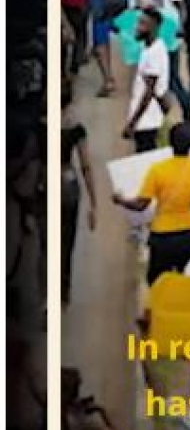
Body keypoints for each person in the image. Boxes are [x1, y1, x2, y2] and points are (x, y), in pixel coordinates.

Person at [113, 121, 190, 285]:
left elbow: (141, 205)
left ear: (170, 143)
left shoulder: (158, 170)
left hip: (164, 238)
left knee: (157, 282)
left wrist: (120, 200)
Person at [61, 83, 97, 305]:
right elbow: (86, 166)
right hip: (67, 184)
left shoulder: (39, 126)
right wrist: (94, 203)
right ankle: (63, 287)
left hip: (43, 184)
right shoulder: (75, 129)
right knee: (66, 240)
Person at [123, 7, 171, 152]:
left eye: (143, 24)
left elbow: (149, 91)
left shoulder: (155, 52)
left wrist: (132, 122)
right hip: (149, 119)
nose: (137, 27)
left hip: (148, 121)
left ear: (154, 27)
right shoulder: (149, 49)